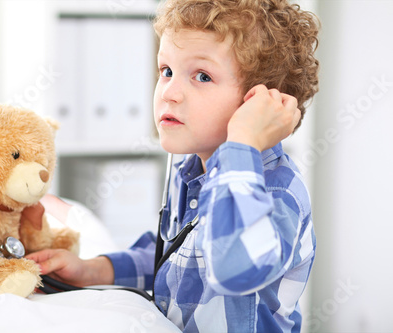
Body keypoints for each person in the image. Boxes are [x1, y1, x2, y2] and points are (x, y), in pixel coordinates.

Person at [25, 0, 319, 331]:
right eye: (166, 71)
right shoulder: (192, 170)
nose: (170, 92)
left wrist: (243, 142)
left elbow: (234, 266)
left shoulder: (278, 190)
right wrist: (94, 269)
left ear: (259, 104)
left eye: (202, 76)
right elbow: (176, 255)